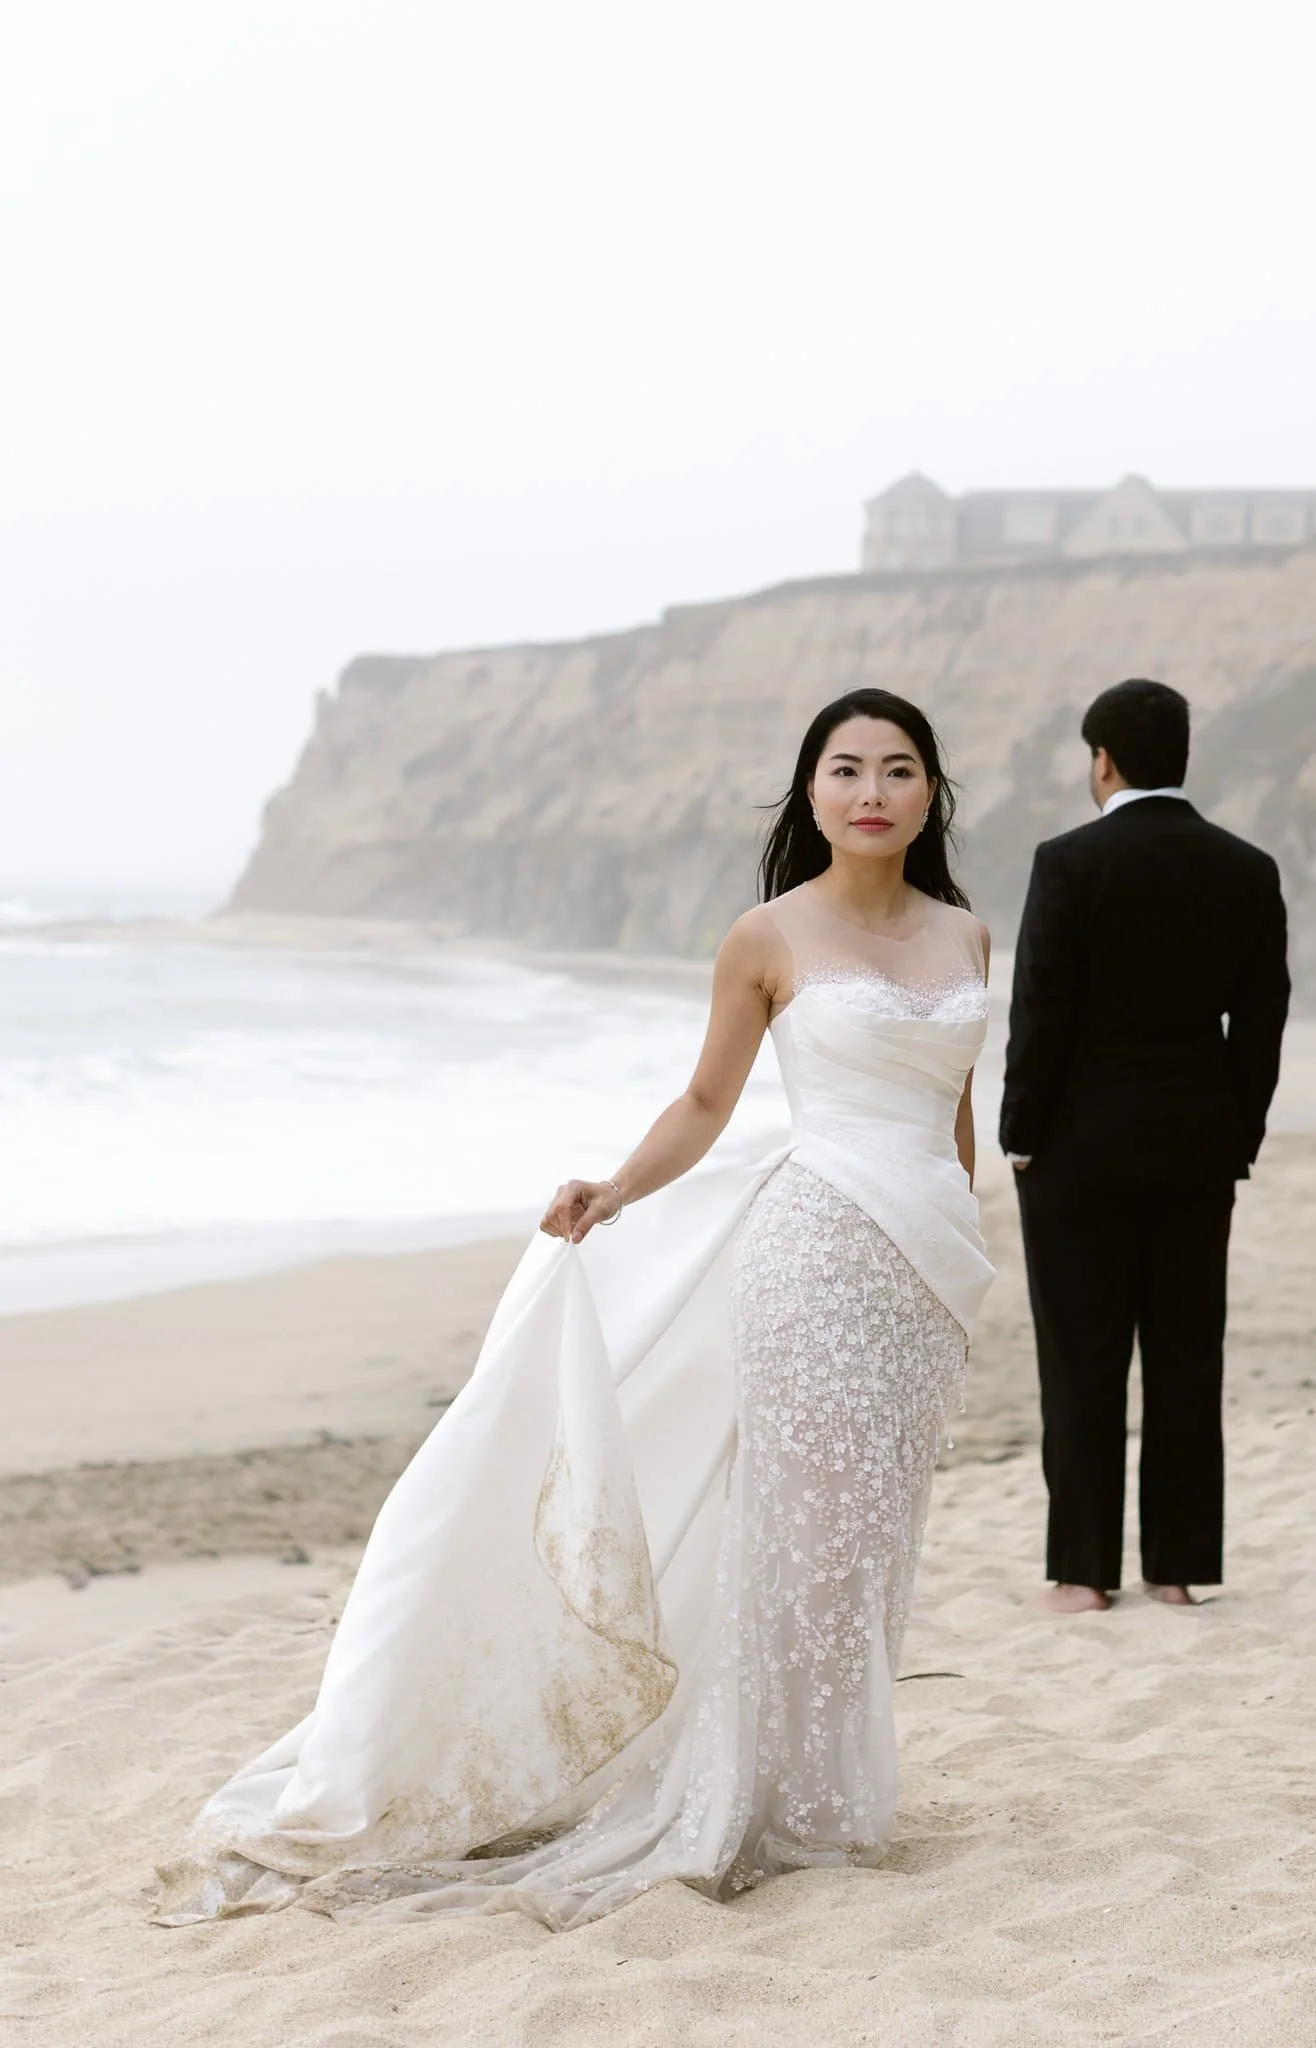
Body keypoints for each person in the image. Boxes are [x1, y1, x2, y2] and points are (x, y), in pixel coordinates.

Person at [155, 688, 993, 1931]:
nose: (872, 790)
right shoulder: (766, 934)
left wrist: (961, 1236)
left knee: (872, 1538)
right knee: (794, 1534)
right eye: (846, 768)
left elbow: (957, 1113)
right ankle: (750, 1794)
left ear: (932, 793)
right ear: (810, 791)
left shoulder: (967, 936)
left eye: (898, 769)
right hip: (811, 1251)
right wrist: (612, 1187)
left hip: (923, 1270)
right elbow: (706, 1104)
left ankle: (828, 1791)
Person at [1000, 678, 1289, 1614]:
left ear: (1104, 762)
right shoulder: (1246, 868)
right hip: (1197, 1145)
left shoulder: (1067, 863)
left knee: (1081, 1359)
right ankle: (1175, 1572)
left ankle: (1083, 1576)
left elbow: (1041, 1008)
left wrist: (1020, 1134)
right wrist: (1235, 1132)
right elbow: (1262, 1020)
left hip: (1078, 1153)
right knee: (1184, 1356)